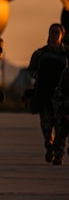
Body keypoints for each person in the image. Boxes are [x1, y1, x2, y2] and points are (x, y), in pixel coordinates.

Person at [26, 24, 68, 162]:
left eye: (57, 32)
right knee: (46, 125)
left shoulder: (66, 54)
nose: (54, 35)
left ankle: (58, 154)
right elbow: (30, 69)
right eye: (52, 32)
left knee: (61, 127)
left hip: (61, 97)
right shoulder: (40, 54)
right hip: (45, 95)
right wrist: (39, 75)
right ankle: (49, 146)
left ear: (62, 35)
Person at [51, 56, 69, 166]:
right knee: (60, 134)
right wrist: (63, 112)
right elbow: (59, 93)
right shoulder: (66, 74)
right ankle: (58, 155)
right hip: (65, 109)